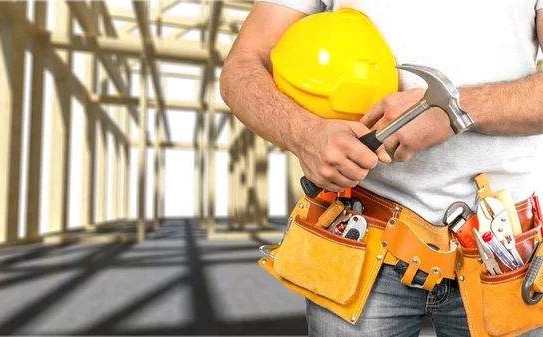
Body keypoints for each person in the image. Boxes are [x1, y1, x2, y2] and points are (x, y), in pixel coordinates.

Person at [219, 1, 543, 336]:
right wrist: (304, 135)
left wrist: (456, 108)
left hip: (502, 252)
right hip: (358, 238)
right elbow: (243, 63)